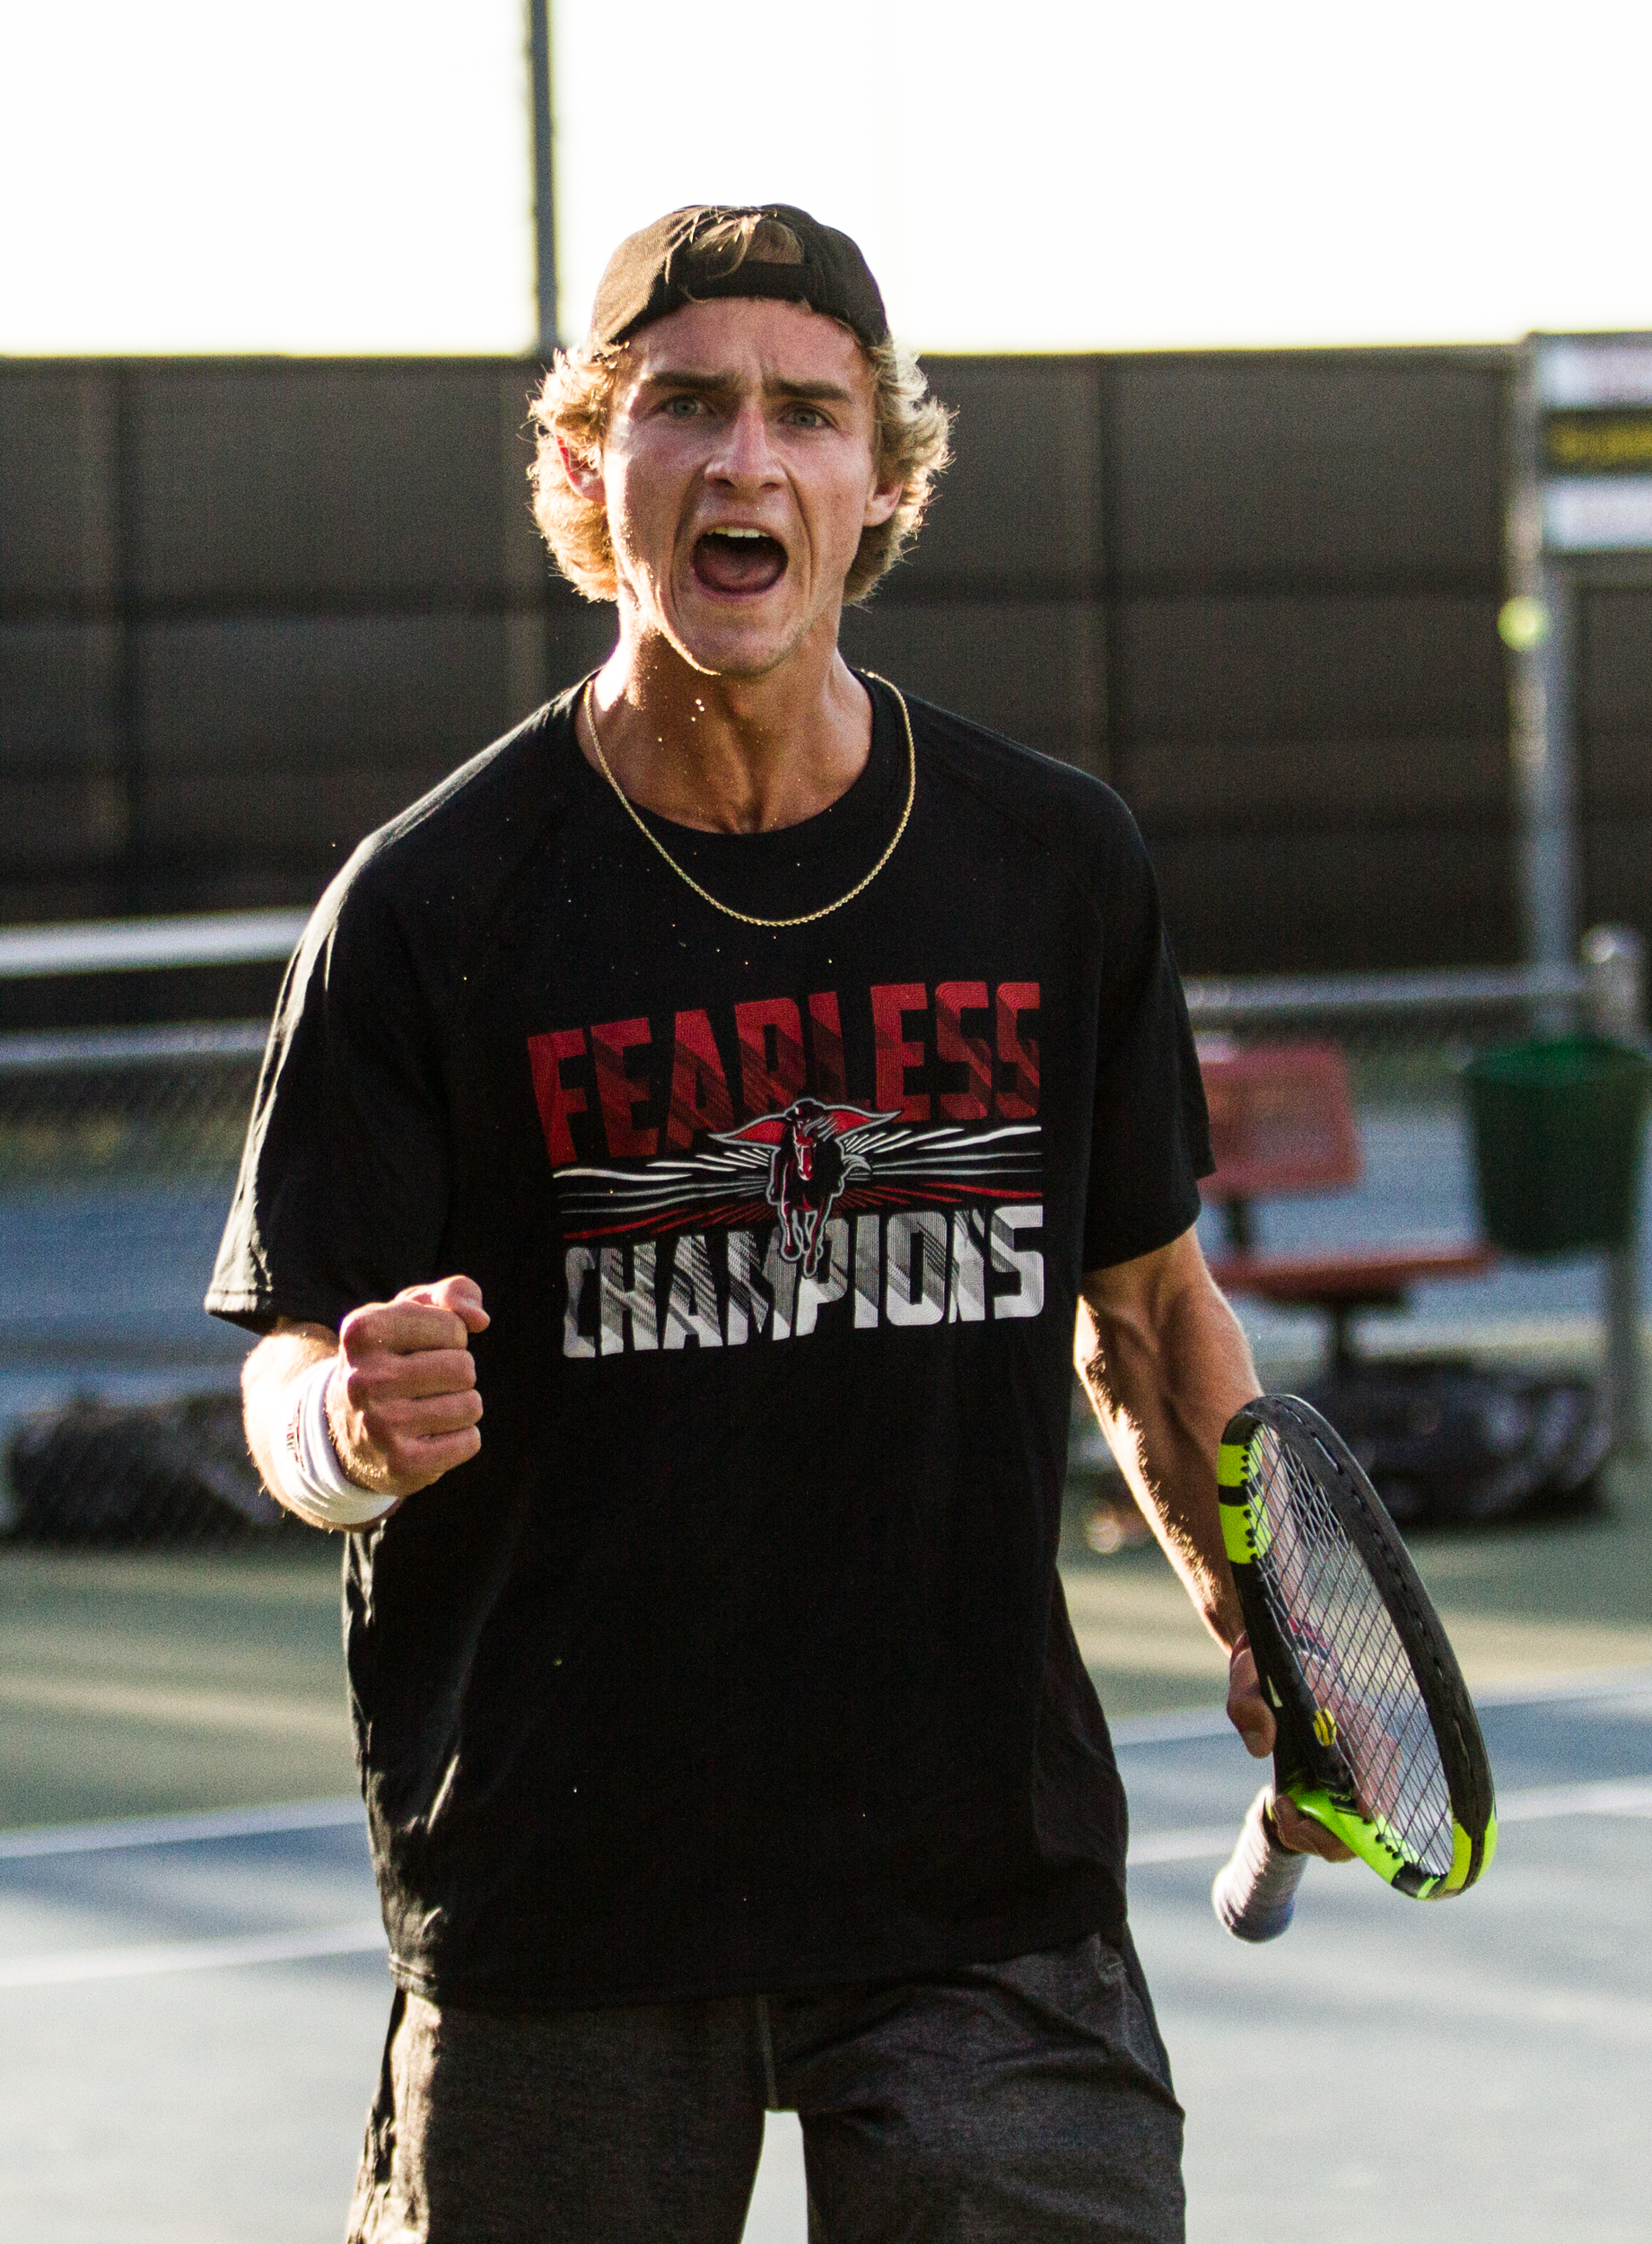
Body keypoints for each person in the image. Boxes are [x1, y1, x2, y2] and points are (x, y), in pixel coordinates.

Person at [208, 204, 1345, 2244]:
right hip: (565, 1891)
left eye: (806, 414)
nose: (746, 460)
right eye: (685, 407)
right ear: (586, 465)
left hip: (973, 1877)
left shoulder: (1051, 862)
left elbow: (1154, 1314)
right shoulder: (428, 907)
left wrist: (1267, 1612)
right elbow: (290, 1369)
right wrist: (348, 1431)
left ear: (880, 478)